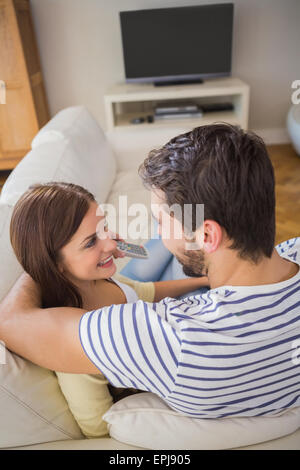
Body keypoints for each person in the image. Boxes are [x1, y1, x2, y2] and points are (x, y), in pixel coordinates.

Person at [1, 123, 299, 421]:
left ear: (207, 236)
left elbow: (9, 320)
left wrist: (47, 259)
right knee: (152, 253)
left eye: (161, 220)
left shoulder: (161, 338)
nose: (159, 231)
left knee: (154, 254)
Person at [8, 181, 208, 437]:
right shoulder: (74, 342)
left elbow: (144, 291)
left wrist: (206, 279)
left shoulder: (95, 277)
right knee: (184, 238)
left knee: (176, 229)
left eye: (105, 228)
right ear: (54, 263)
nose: (110, 243)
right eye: (90, 241)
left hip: (130, 280)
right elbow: (96, 428)